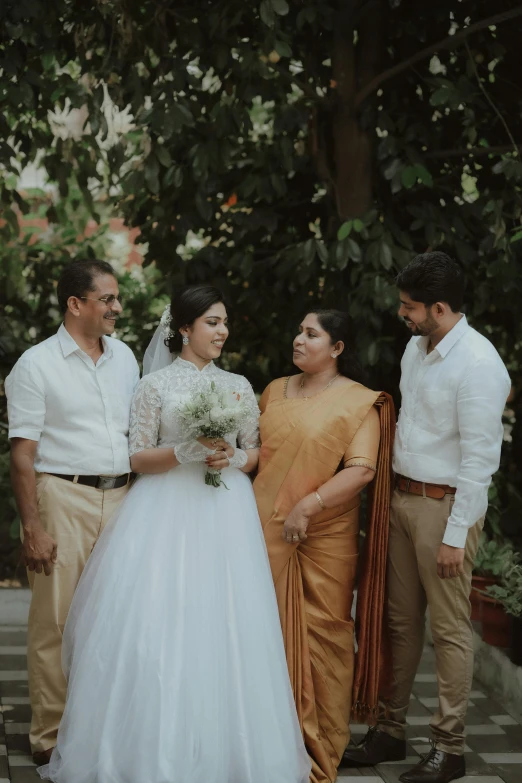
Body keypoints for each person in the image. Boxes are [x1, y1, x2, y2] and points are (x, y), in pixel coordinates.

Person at [38, 284, 311, 783]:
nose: (222, 331)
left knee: (230, 622)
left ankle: (235, 751)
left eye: (225, 322)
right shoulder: (154, 386)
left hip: (226, 513)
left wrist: (234, 457)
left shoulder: (238, 386)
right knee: (161, 623)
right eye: (211, 322)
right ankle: (150, 752)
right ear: (184, 328)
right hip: (163, 511)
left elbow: (254, 452)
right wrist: (184, 451)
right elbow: (138, 456)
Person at [342, 252, 511, 783]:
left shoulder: (479, 364)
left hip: (445, 509)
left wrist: (456, 535)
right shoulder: (417, 350)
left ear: (440, 308)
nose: (402, 315)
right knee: (399, 621)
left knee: (449, 628)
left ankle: (450, 746)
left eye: (409, 307)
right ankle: (390, 731)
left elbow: (480, 462)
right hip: (402, 501)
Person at [6, 259, 139, 765]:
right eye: (107, 299)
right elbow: (22, 453)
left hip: (126, 497)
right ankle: (51, 737)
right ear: (75, 303)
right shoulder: (36, 364)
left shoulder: (125, 356)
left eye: (116, 298)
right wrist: (33, 525)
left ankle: (102, 727)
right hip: (63, 495)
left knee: (117, 618)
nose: (116, 307)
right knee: (56, 621)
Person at [253, 309, 395, 783]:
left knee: (326, 638)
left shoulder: (359, 402)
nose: (298, 339)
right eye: (298, 331)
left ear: (336, 348)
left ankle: (318, 747)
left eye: (311, 334)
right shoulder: (273, 390)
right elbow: (257, 457)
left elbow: (362, 470)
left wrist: (307, 507)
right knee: (262, 635)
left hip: (325, 538)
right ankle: (266, 741)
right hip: (265, 531)